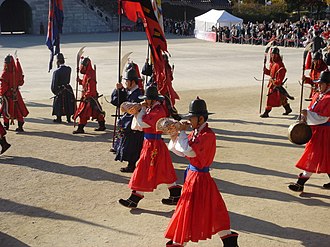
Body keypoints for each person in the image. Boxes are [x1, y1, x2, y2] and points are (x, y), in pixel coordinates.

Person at [164, 97, 239, 247]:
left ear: (201, 118)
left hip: (199, 177)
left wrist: (182, 133)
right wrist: (174, 136)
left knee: (189, 209)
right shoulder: (196, 132)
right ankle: (229, 241)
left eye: (191, 118)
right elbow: (180, 151)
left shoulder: (207, 135)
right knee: (214, 209)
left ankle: (179, 242)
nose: (189, 121)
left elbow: (188, 151)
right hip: (194, 176)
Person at [119, 86, 181, 208]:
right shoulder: (153, 108)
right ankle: (175, 193)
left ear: (152, 99)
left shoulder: (158, 111)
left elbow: (142, 124)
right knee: (164, 169)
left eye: (146, 99)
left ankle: (135, 197)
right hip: (152, 143)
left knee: (142, 168)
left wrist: (139, 110)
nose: (145, 101)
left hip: (153, 144)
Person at [288, 71, 330, 192]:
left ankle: (300, 183)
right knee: (325, 157)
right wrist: (305, 116)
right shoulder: (318, 95)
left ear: (328, 85)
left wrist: (309, 114)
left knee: (313, 156)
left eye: (321, 84)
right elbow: (311, 109)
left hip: (325, 132)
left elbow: (324, 117)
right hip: (316, 131)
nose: (318, 86)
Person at [110, 68, 144, 173]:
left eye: (127, 81)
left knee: (133, 147)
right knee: (128, 145)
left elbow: (134, 111)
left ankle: (132, 165)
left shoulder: (138, 94)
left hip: (133, 123)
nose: (125, 83)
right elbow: (117, 102)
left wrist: (124, 120)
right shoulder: (129, 92)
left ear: (132, 82)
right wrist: (118, 90)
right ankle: (131, 164)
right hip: (128, 122)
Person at [73, 57, 106, 134]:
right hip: (88, 96)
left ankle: (80, 128)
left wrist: (86, 96)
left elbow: (91, 88)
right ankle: (102, 125)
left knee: (83, 113)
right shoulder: (87, 74)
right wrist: (80, 81)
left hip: (89, 98)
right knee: (96, 112)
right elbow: (85, 84)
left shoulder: (91, 74)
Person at [260, 47, 293, 118]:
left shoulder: (280, 65)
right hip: (273, 84)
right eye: (272, 54)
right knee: (282, 98)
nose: (273, 56)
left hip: (275, 85)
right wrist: (266, 71)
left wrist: (275, 82)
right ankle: (288, 109)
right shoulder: (274, 64)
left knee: (270, 99)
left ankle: (266, 112)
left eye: (274, 54)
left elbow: (280, 78)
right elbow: (272, 73)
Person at [0, 54, 29, 132]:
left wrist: (1, 94)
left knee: (6, 110)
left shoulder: (5, 74)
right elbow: (21, 83)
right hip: (16, 94)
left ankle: (6, 126)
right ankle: (20, 126)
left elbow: (4, 87)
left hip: (8, 95)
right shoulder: (17, 72)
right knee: (18, 110)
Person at [154, 54, 181, 120]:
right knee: (167, 103)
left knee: (169, 104)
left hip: (165, 88)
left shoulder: (165, 68)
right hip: (164, 88)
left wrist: (161, 89)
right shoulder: (164, 67)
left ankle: (175, 116)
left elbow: (166, 79)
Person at [51, 53, 75, 123]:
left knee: (59, 103)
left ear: (58, 62)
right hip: (67, 88)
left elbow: (54, 83)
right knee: (68, 103)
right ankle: (68, 118)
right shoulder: (69, 69)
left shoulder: (56, 72)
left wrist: (55, 91)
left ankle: (59, 118)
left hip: (60, 89)